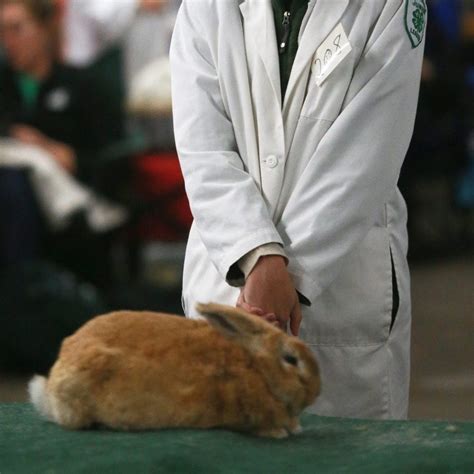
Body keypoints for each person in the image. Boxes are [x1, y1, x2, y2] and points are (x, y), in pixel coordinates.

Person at [170, 0, 426, 419]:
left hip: (340, 290)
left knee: (346, 458)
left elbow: (363, 159)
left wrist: (280, 273)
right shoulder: (203, 7)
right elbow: (203, 149)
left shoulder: (388, 6)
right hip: (230, 286)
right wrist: (257, 256)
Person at [0, 0, 125, 276]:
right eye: (2, 31)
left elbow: (111, 160)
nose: (8, 41)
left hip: (73, 219)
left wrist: (49, 149)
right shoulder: (4, 88)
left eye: (16, 29)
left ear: (45, 27)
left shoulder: (85, 87)